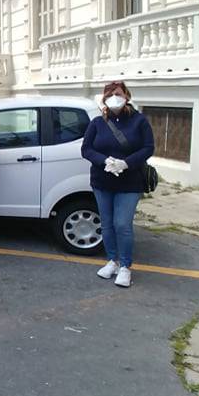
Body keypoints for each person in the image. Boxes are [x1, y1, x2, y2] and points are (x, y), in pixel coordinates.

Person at [81, 81, 155, 288]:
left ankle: (125, 266)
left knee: (122, 224)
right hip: (102, 181)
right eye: (110, 94)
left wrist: (126, 163)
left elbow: (148, 147)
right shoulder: (97, 123)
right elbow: (86, 149)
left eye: (119, 93)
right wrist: (104, 161)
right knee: (106, 224)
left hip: (130, 182)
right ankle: (112, 260)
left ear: (127, 97)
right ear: (104, 99)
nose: (115, 97)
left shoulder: (139, 121)